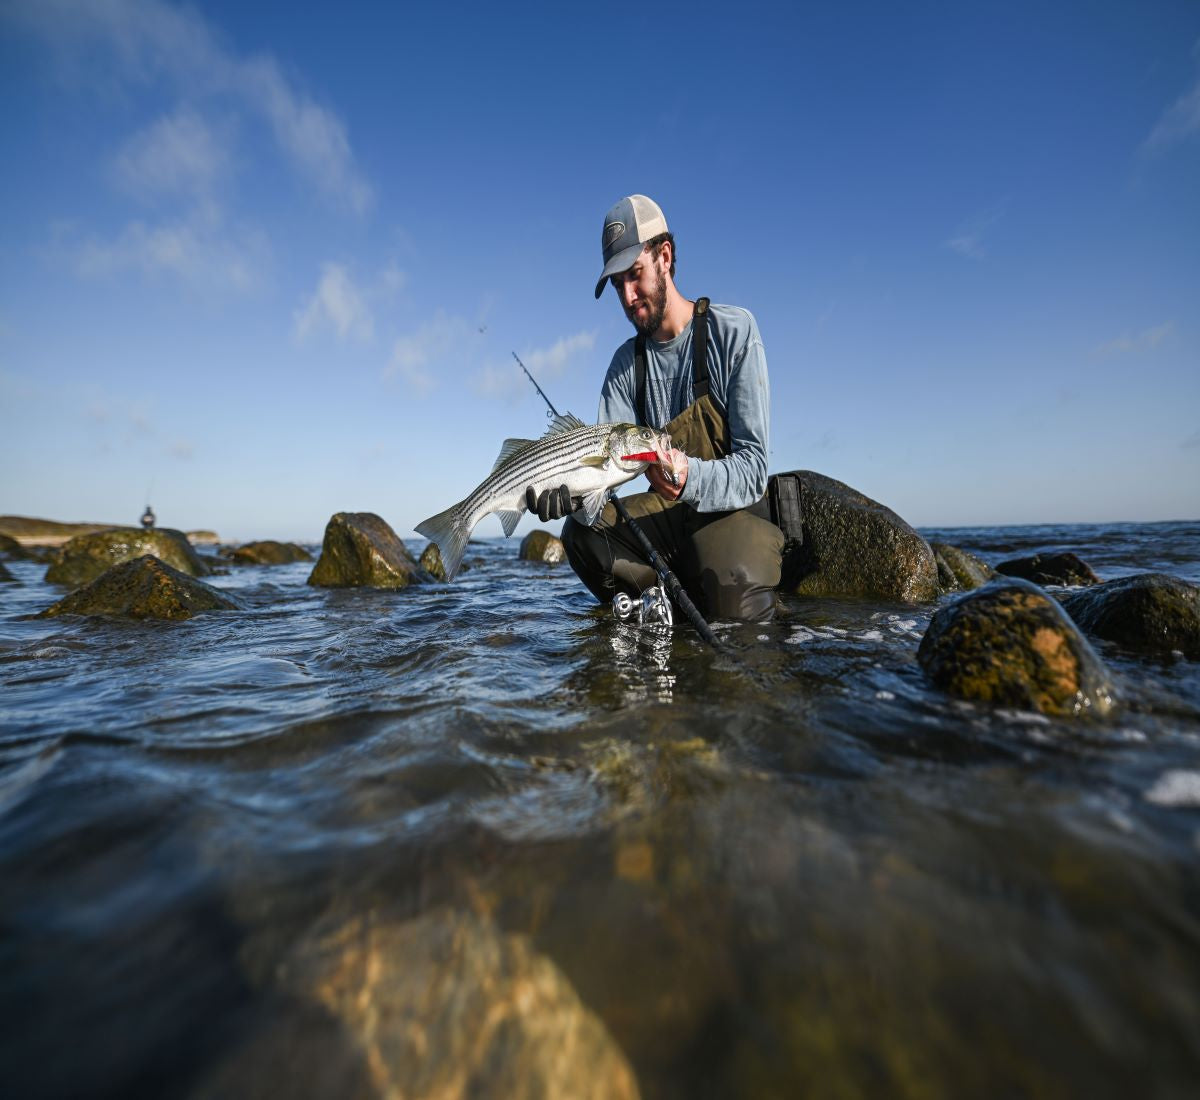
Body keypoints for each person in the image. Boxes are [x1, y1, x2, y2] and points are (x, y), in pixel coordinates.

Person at [528, 194, 783, 623]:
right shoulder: (625, 365)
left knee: (732, 594)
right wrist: (567, 493)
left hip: (730, 509)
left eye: (634, 275)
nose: (627, 296)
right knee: (580, 535)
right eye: (616, 284)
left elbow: (754, 469)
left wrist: (690, 479)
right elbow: (601, 475)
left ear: (664, 257)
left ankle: (715, 591)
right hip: (663, 517)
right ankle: (667, 605)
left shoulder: (734, 332)